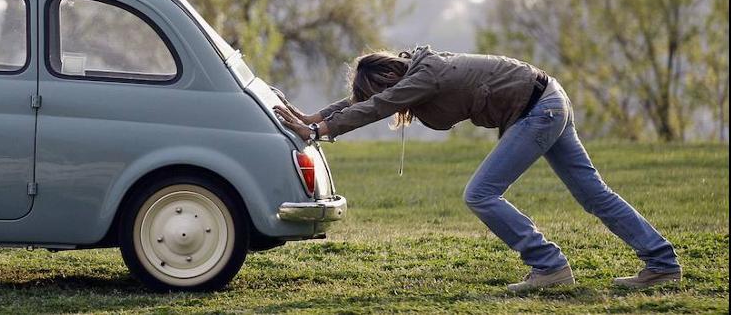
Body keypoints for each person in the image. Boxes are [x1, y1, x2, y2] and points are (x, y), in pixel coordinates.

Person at [273, 46, 681, 293]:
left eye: (382, 91)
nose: (392, 102)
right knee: (593, 194)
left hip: (539, 110)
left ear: (389, 77)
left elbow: (378, 105)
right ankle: (662, 263)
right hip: (547, 100)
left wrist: (320, 129)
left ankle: (549, 266)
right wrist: (313, 117)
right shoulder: (417, 72)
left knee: (481, 194)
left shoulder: (426, 75)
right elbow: (366, 103)